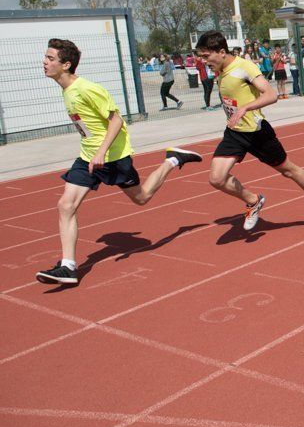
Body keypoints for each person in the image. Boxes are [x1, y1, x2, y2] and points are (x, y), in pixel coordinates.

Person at [35, 39, 202, 285]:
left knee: (142, 198)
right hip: (88, 157)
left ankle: (172, 159)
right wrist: (93, 152)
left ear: (66, 64)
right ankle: (68, 266)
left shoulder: (87, 89)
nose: (44, 62)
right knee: (66, 205)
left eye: (50, 58)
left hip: (113, 157)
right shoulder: (66, 89)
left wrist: (102, 152)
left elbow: (116, 121)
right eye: (45, 57)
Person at [195, 31, 304, 231]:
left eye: (206, 56)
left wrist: (246, 108)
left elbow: (271, 95)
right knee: (216, 178)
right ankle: (253, 201)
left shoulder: (244, 67)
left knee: (288, 170)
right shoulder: (220, 69)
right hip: (235, 132)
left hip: (257, 132)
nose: (203, 61)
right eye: (201, 56)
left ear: (221, 52)